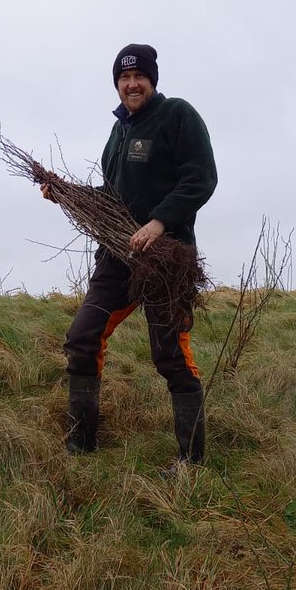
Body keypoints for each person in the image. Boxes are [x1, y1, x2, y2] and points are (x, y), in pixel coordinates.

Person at [43, 43, 217, 464]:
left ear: (152, 80)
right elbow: (113, 197)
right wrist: (67, 194)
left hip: (167, 260)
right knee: (82, 339)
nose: (132, 83)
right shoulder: (118, 133)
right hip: (118, 257)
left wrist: (158, 223)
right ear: (117, 84)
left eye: (139, 76)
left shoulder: (177, 115)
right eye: (124, 78)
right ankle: (81, 446)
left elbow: (201, 178)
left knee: (170, 355)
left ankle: (191, 462)